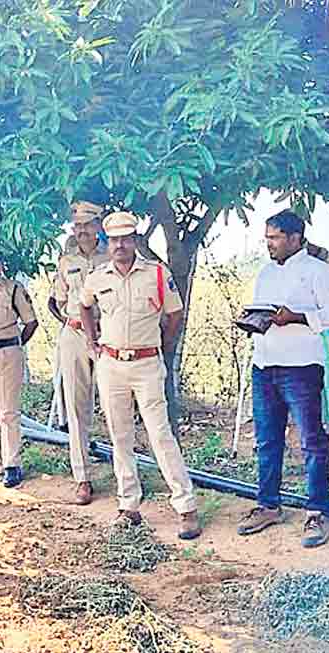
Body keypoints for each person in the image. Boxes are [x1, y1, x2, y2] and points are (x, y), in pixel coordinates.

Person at [80, 212, 202, 540]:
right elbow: (84, 307)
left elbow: (175, 314)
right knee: (119, 436)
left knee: (160, 435)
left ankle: (186, 507)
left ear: (135, 240)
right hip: (111, 365)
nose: (120, 245)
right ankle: (128, 506)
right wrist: (92, 343)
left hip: (147, 365)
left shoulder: (157, 274)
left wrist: (162, 345)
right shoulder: (96, 277)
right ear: (107, 243)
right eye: (114, 240)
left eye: (126, 238)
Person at [236, 210, 329, 548]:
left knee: (312, 441)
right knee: (267, 440)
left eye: (274, 238)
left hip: (300, 368)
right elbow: (265, 310)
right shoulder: (266, 273)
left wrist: (296, 317)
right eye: (267, 238)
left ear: (295, 238)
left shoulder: (318, 271)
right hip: (265, 364)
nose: (268, 244)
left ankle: (318, 512)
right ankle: (268, 505)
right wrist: (252, 320)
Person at [50, 201, 110, 505]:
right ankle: (82, 477)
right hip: (74, 335)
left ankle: (127, 474)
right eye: (78, 226)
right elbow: (54, 300)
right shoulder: (66, 260)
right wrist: (69, 323)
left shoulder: (112, 255)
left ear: (99, 225)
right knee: (76, 407)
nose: (83, 230)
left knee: (115, 404)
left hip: (108, 334)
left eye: (88, 224)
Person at [0, 253, 38, 488]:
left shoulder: (13, 288)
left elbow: (31, 322)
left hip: (7, 352)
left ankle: (11, 464)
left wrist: (15, 344)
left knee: (7, 412)